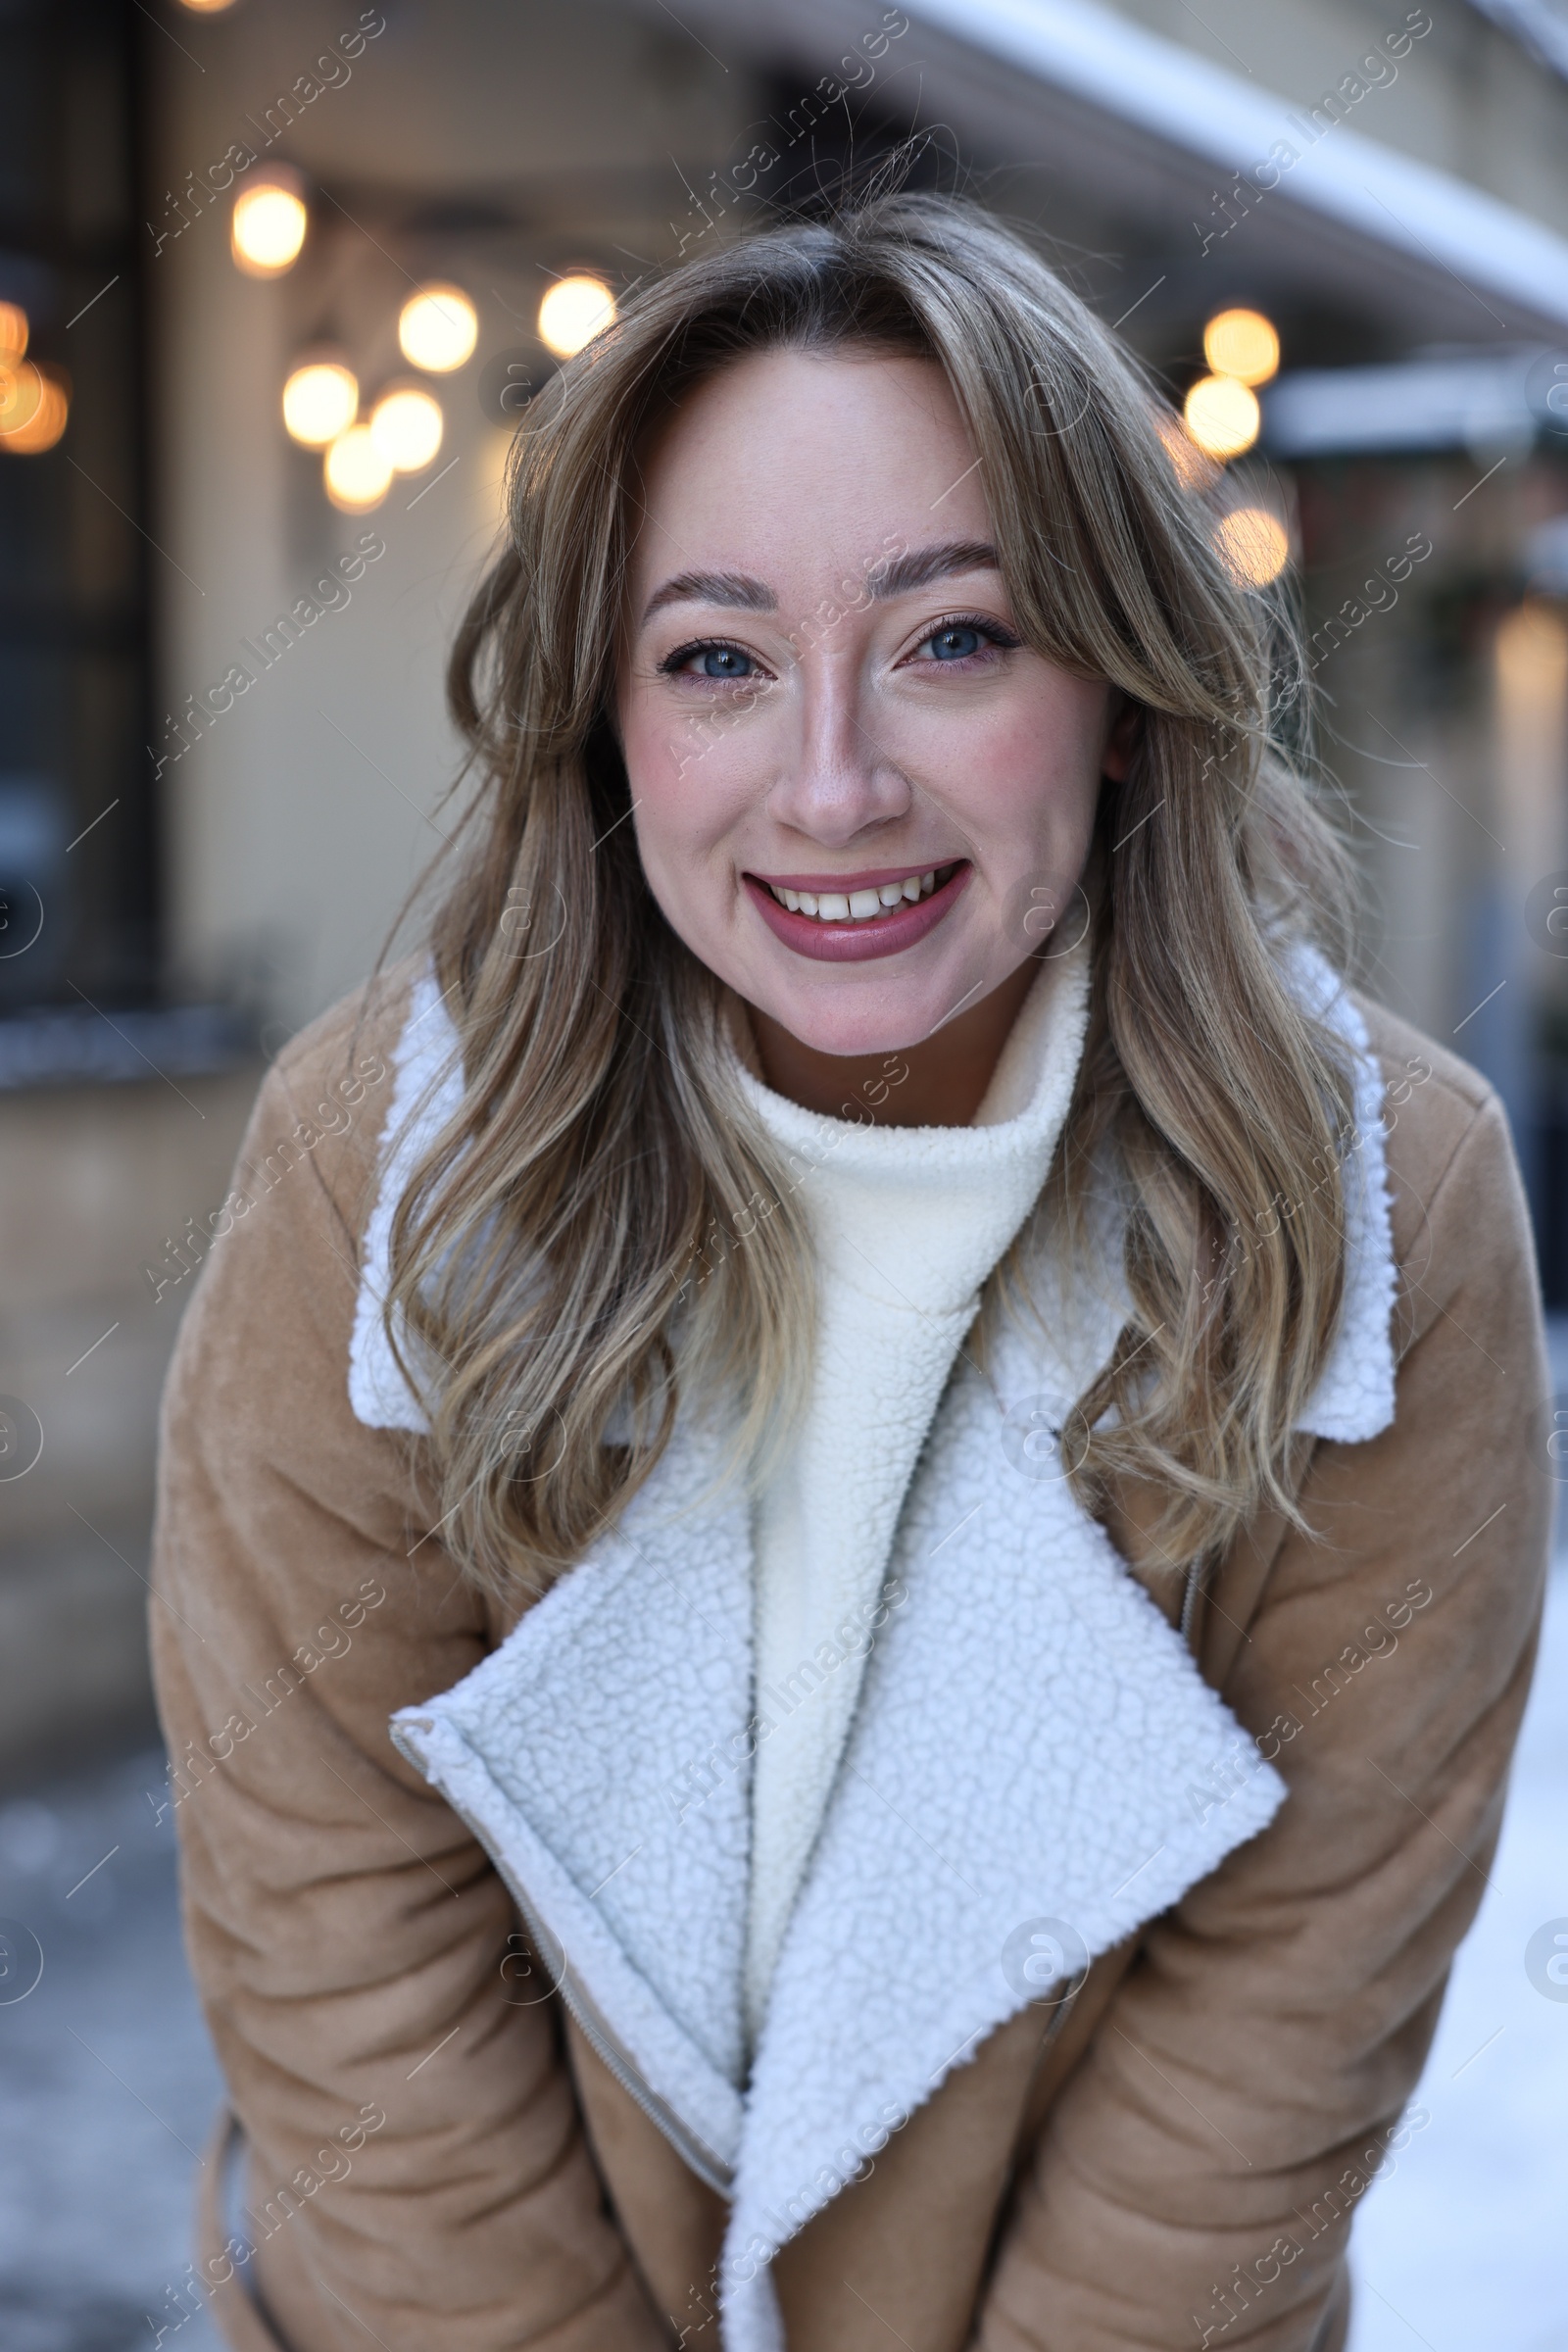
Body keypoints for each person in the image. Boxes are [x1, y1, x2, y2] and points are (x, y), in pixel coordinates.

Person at [151, 183, 1549, 2352]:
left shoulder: (1373, 1201)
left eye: (951, 639)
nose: (827, 786)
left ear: (1112, 682)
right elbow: (334, 1924)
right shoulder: (387, 1165)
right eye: (715, 660)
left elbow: (1290, 1996)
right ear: (608, 731)